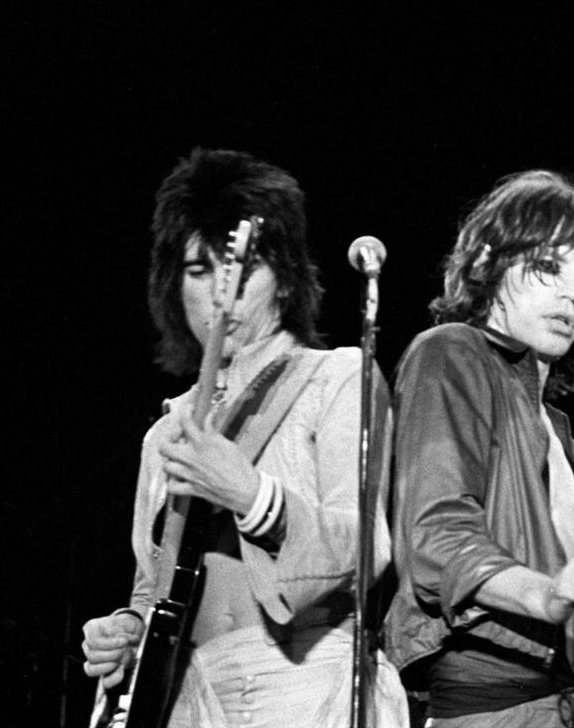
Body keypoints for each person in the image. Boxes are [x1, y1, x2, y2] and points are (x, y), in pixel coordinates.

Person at [80, 148, 407, 727]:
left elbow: (365, 544)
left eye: (240, 269)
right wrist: (128, 632)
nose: (217, 295)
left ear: (284, 280)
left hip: (306, 683)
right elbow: (152, 590)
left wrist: (252, 495)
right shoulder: (166, 434)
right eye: (198, 271)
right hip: (191, 694)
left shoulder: (337, 378)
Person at [385, 170, 574, 727]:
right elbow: (434, 535)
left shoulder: (558, 434)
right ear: (490, 264)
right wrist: (548, 595)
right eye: (547, 267)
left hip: (569, 705)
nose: (572, 292)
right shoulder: (450, 354)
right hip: (495, 708)